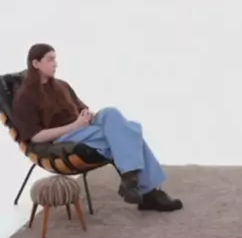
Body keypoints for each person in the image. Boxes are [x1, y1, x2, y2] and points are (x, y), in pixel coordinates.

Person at [12, 43, 183, 212]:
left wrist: (89, 116)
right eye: (50, 60)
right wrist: (75, 125)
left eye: (55, 59)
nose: (55, 64)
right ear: (36, 63)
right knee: (130, 132)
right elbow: (36, 137)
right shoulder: (25, 97)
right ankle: (146, 191)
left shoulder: (61, 85)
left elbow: (83, 109)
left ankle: (131, 179)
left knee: (111, 113)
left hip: (84, 129)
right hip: (63, 137)